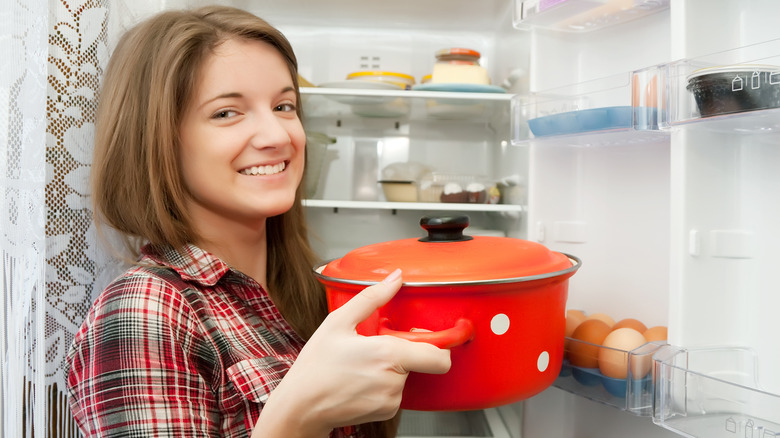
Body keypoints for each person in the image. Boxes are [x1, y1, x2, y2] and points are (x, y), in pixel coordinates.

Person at [64, 5, 451, 438]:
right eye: (226, 113)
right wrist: (298, 418)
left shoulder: (310, 294)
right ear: (156, 141)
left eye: (284, 106)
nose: (278, 136)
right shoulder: (147, 309)